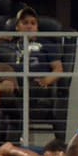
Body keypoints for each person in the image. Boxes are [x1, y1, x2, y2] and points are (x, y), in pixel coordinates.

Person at [9, 7, 66, 140]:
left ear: (37, 27)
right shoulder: (10, 45)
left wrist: (46, 81)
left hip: (37, 86)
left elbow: (58, 70)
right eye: (25, 23)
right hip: (13, 85)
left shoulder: (48, 45)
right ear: (17, 27)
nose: (29, 26)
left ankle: (15, 141)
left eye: (33, 23)